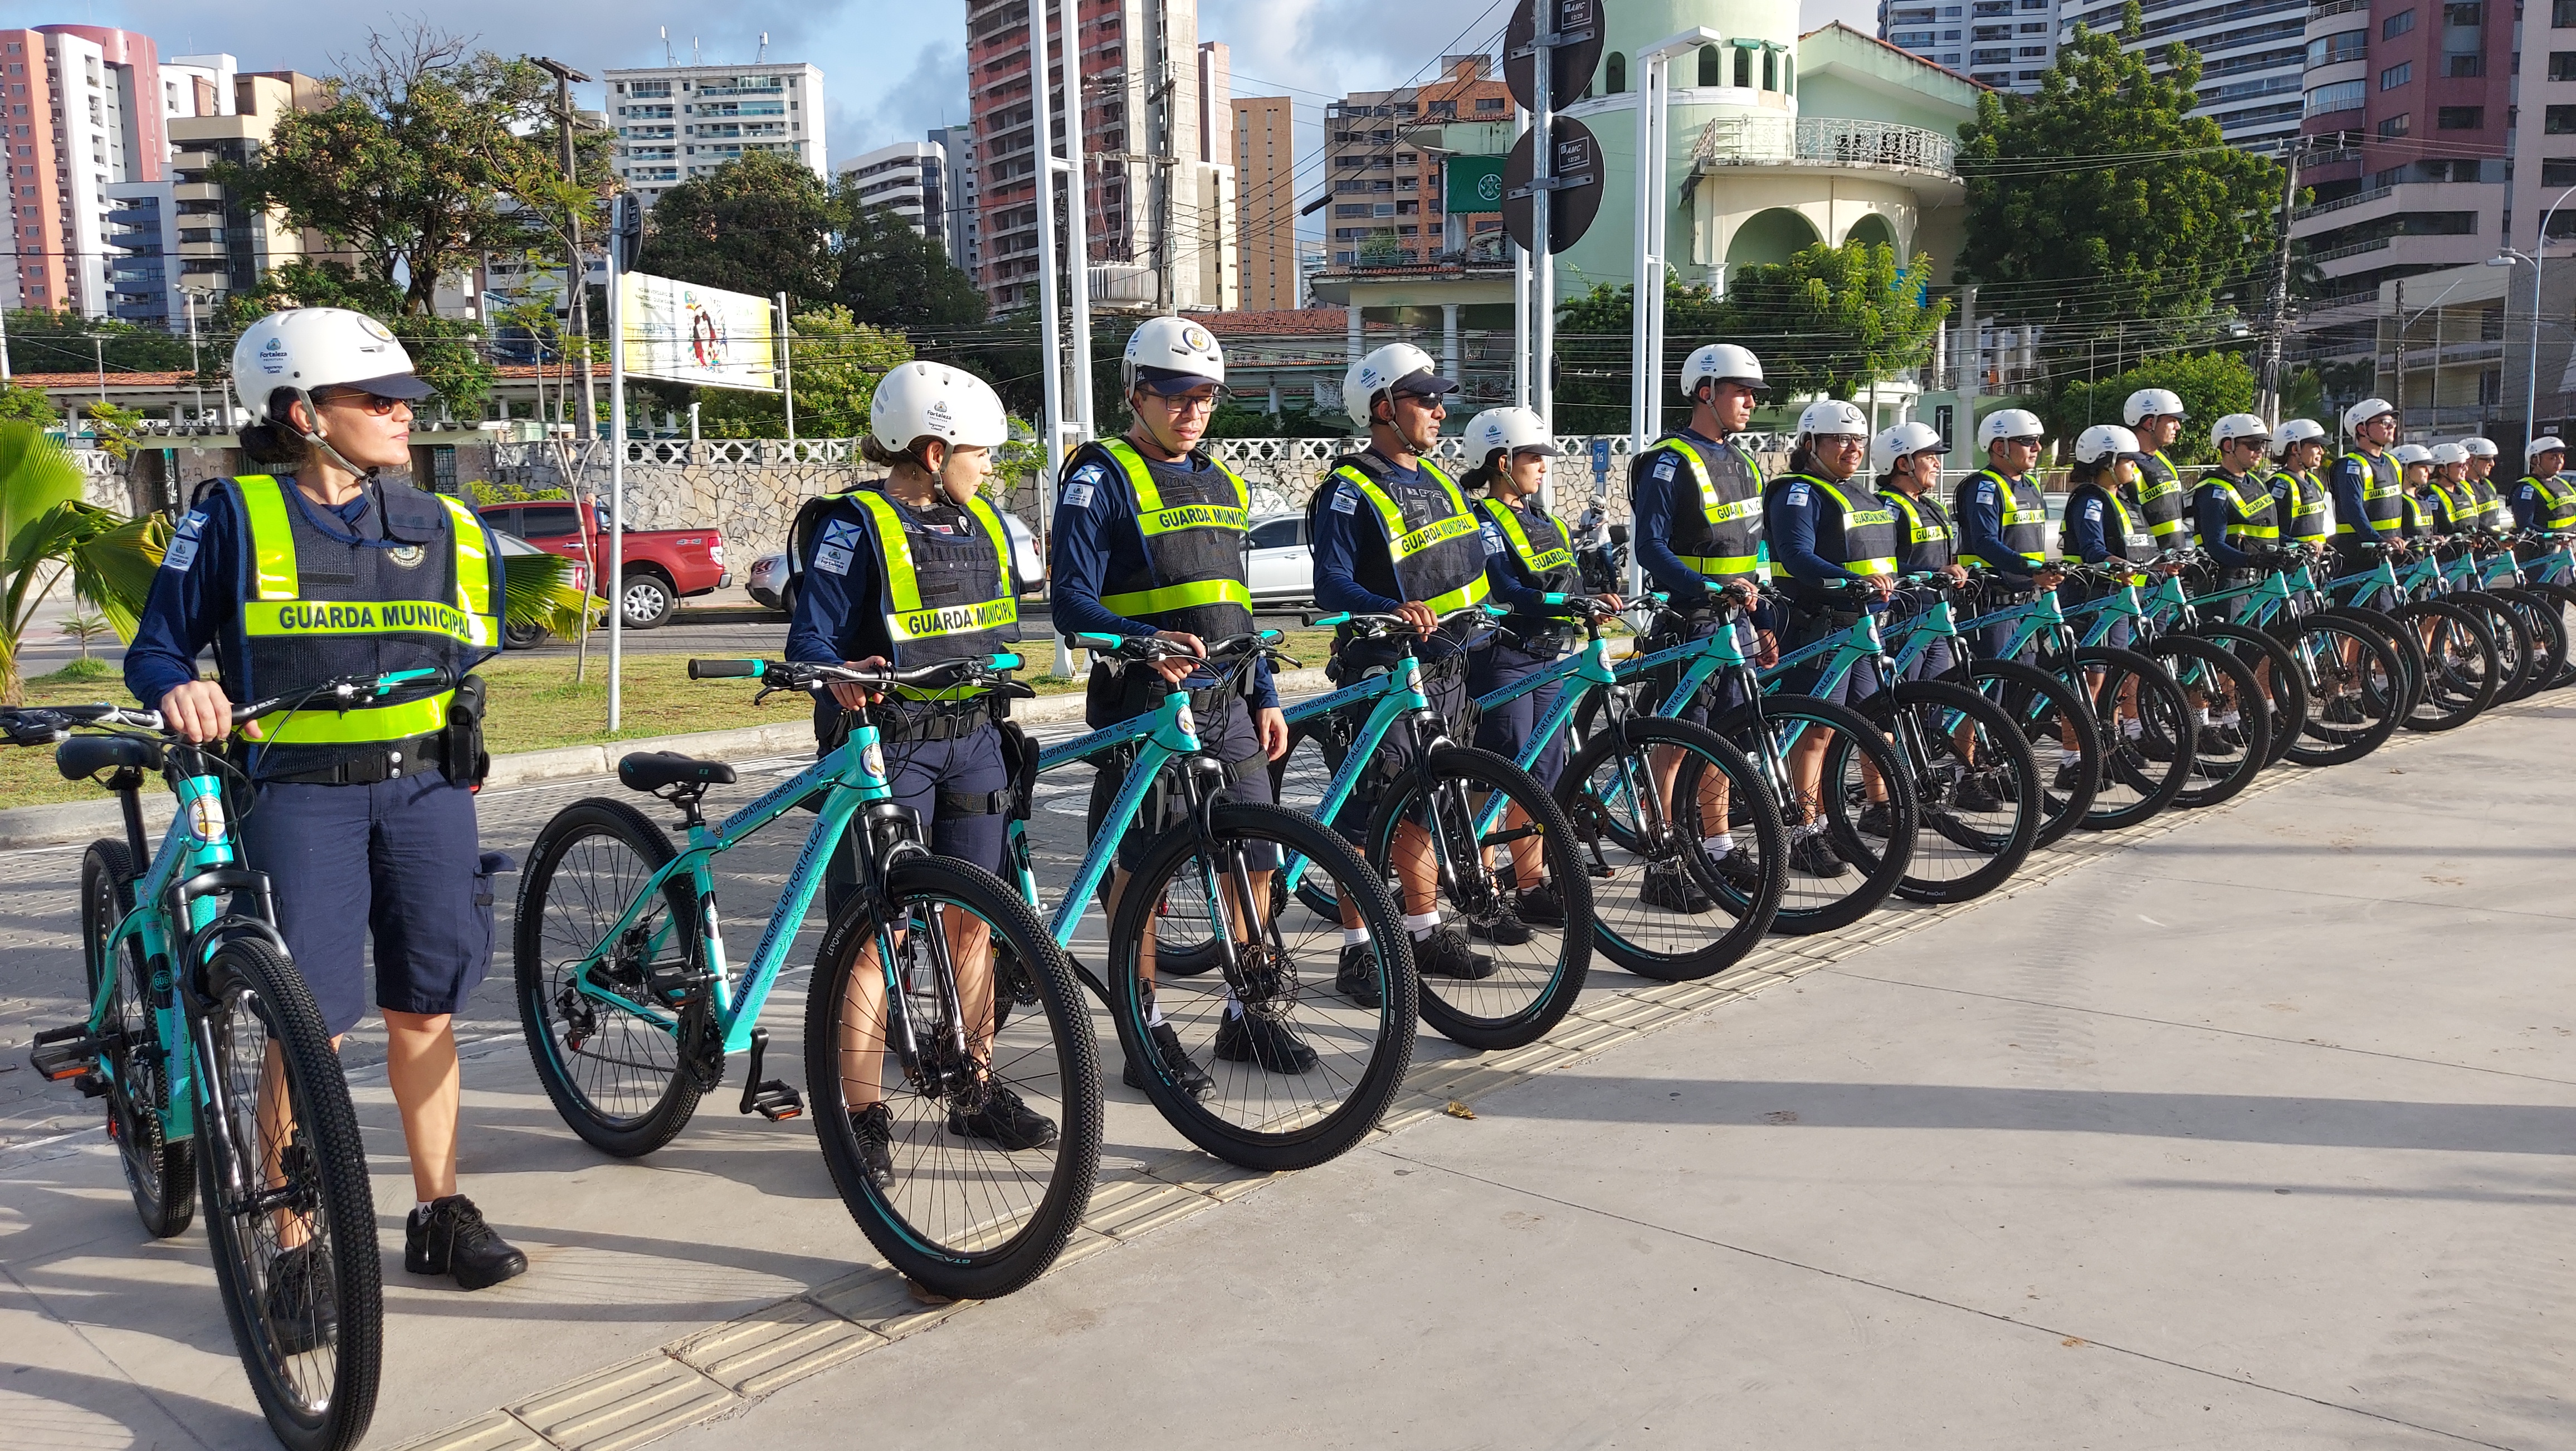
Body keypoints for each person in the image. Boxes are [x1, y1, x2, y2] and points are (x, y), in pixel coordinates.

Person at [124, 307, 523, 1295]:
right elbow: (156, 648)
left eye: (403, 399)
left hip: (429, 787)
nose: (401, 414)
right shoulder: (230, 515)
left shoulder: (444, 523)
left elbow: (473, 646)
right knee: (312, 1024)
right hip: (300, 800)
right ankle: (293, 1235)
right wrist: (183, 685)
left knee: (425, 1009)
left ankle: (438, 1209)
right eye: (376, 398)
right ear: (302, 411)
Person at [787, 361, 1055, 1182]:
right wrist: (838, 670)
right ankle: (860, 1112)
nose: (991, 468)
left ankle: (973, 1088)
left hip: (973, 736)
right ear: (933, 450)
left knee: (974, 921)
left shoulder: (980, 525)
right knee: (875, 932)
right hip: (885, 742)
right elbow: (810, 641)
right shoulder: (852, 524)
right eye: (980, 452)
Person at [1048, 317, 1291, 1092]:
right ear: (1137, 393)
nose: (1195, 412)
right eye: (1179, 396)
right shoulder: (1100, 475)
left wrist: (1268, 694)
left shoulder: (1221, 480)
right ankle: (1143, 1024)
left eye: (1208, 398)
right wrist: (1142, 640)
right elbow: (1070, 603)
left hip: (1229, 699)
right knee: (1141, 871)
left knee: (1254, 857)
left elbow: (1235, 604)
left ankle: (1245, 1013)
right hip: (1145, 704)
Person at [1310, 342, 1499, 998]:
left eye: (1440, 398)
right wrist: (1389, 608)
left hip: (1444, 668)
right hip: (1383, 670)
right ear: (1383, 407)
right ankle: (1358, 951)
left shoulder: (1440, 479)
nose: (1440, 410)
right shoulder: (1345, 488)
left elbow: (1474, 564)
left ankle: (1422, 931)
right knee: (1366, 815)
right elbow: (1330, 583)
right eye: (1425, 399)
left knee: (1423, 803)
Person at [1628, 342, 1774, 910]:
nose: (1749, 403)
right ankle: (1661, 861)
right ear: (1705, 391)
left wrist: (1760, 618)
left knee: (1725, 737)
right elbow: (1650, 548)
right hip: (1689, 620)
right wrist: (1708, 589)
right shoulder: (1668, 460)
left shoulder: (1743, 462)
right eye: (1740, 391)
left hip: (1735, 621)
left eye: (1753, 394)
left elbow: (1752, 553)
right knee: (1677, 742)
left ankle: (1716, 845)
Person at [1462, 405, 1612, 928]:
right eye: (1533, 457)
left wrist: (1594, 597)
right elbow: (1503, 587)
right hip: (1505, 656)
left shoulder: (1541, 517)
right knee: (1500, 772)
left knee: (1543, 777)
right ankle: (1481, 890)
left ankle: (1529, 883)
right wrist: (1560, 605)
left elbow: (1564, 581)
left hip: (1552, 657)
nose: (1544, 466)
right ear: (1501, 461)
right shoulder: (1480, 519)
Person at [1766, 399, 1914, 865]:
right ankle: (1804, 832)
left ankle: (1832, 820)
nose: (1852, 448)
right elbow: (1796, 555)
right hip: (1819, 627)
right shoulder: (1798, 491)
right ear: (1810, 444)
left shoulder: (1863, 494)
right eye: (1840, 439)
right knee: (1815, 733)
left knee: (1863, 727)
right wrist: (1853, 583)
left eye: (1858, 440)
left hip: (1864, 631)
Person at [1953, 407, 2063, 659]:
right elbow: (1985, 542)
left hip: (2028, 599)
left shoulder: (2031, 485)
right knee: (1997, 687)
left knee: (2027, 684)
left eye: (2038, 441)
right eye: (2027, 442)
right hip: (1994, 604)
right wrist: (2031, 569)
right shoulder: (1984, 486)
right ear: (2000, 447)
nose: (2037, 447)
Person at [1874, 419, 1967, 682]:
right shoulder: (1886, 506)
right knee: (1906, 696)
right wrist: (1934, 572)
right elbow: (1884, 565)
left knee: (1936, 701)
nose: (1937, 464)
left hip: (1938, 616)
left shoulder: (1933, 507)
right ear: (1903, 464)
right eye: (1929, 457)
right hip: (1906, 619)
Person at [2193, 412, 2281, 598]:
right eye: (2254, 445)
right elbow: (2214, 544)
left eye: (2262, 445)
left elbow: (2267, 529)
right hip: (2230, 584)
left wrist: (2298, 544)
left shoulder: (2257, 482)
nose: (2261, 451)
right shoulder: (2214, 489)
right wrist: (2251, 559)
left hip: (2258, 580)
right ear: (2228, 446)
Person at [2329, 399, 2411, 598]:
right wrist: (2378, 540)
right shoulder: (2351, 465)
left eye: (2393, 422)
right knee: (2354, 624)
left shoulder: (2393, 463)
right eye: (2384, 422)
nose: (2392, 426)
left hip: (2388, 554)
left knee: (2388, 618)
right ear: (2362, 429)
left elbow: (2403, 505)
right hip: (2358, 556)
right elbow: (2352, 509)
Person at [2124, 388, 2193, 548]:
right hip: (2147, 564)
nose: (2178, 427)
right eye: (2173, 420)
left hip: (2173, 560)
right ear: (2150, 423)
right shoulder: (2124, 464)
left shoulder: (2164, 458)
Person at [2266, 418, 2333, 551]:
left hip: (2316, 563)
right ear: (2295, 449)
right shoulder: (2278, 484)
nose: (2322, 452)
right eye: (2316, 446)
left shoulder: (2316, 482)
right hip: (2292, 563)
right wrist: (2300, 544)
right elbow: (2268, 530)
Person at [2509, 435, 2576, 532]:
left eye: (2561, 456)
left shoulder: (2562, 483)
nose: (2560, 461)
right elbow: (2525, 526)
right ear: (2536, 460)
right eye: (2553, 457)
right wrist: (2554, 537)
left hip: (2566, 544)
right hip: (2541, 546)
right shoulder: (2527, 488)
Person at [2425, 443, 2484, 536]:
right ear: (2443, 471)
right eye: (2460, 466)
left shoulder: (2465, 490)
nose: (2466, 469)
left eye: (2466, 465)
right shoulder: (2430, 495)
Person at [2458, 437, 2508, 531]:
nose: (2492, 464)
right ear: (2472, 461)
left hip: (2494, 542)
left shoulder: (2488, 484)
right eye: (2487, 460)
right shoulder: (2460, 489)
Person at [2392, 442, 2437, 544]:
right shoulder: (2398, 501)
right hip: (2408, 559)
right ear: (2405, 469)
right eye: (2422, 467)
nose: (2428, 471)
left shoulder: (2423, 499)